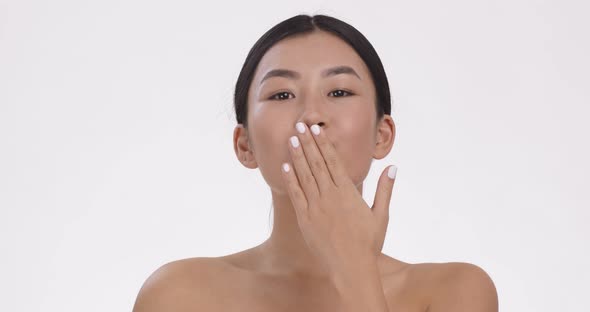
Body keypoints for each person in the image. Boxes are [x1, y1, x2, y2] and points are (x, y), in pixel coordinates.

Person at [132, 14, 498, 311]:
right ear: (245, 145)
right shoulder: (179, 295)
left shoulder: (456, 292)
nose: (311, 115)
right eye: (281, 94)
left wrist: (355, 270)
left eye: (339, 91)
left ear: (382, 134)